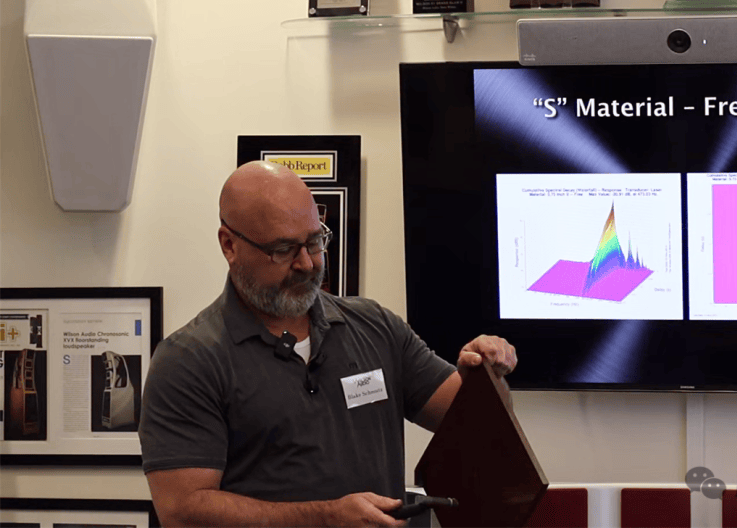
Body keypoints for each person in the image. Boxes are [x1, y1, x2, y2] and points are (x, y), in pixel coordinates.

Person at [139, 161, 517, 527]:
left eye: (315, 241)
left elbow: (480, 426)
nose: (307, 264)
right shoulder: (189, 360)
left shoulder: (375, 327)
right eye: (283, 249)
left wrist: (486, 375)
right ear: (229, 245)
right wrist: (326, 517)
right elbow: (184, 511)